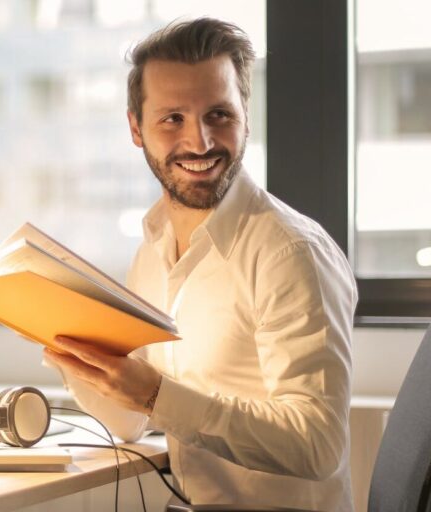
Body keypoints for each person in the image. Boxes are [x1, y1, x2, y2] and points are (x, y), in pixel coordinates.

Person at [43, 17, 357, 512]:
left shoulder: (291, 252)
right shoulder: (152, 247)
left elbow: (317, 445)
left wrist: (156, 396)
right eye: (172, 119)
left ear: (245, 117)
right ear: (135, 129)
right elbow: (130, 422)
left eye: (219, 115)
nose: (201, 142)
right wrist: (71, 351)